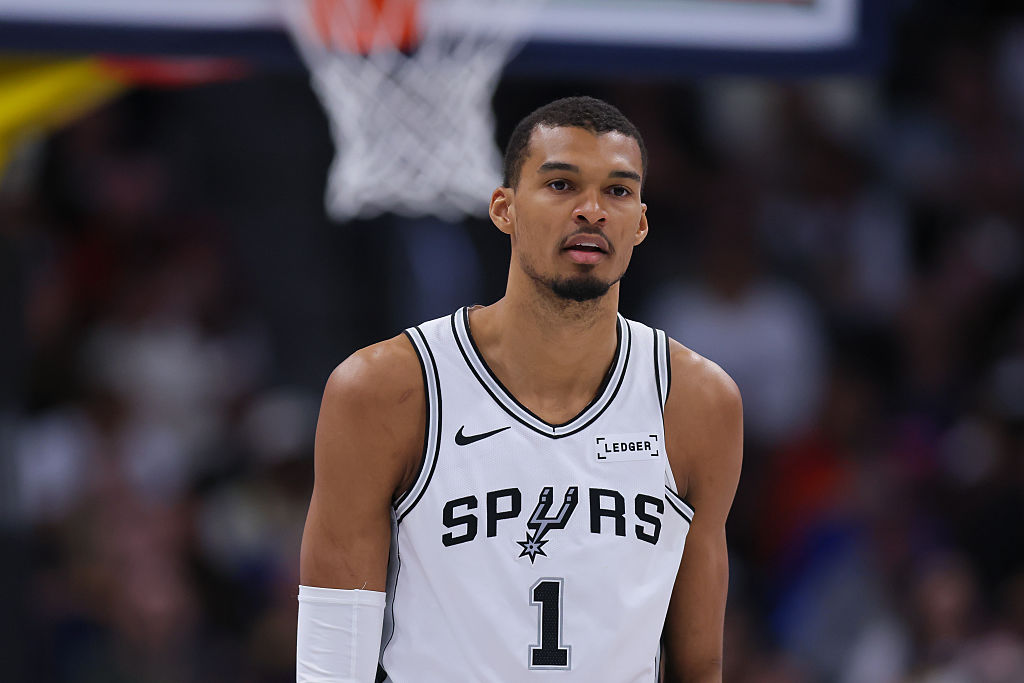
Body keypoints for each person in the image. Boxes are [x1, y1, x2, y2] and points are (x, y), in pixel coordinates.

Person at [296, 96, 743, 682]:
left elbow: (699, 666)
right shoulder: (387, 389)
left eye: (618, 191)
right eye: (561, 185)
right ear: (503, 209)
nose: (592, 211)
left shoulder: (698, 403)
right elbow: (332, 661)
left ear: (640, 222)